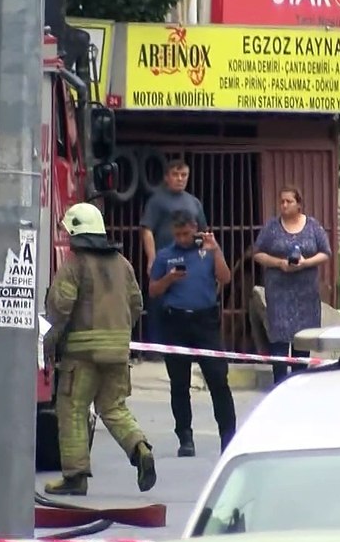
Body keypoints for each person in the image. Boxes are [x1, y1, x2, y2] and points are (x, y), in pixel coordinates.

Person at [41, 202, 156, 496]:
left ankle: (75, 477)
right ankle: (140, 448)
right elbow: (137, 304)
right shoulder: (123, 264)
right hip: (118, 353)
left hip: (81, 356)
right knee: (114, 407)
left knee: (73, 409)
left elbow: (60, 306)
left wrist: (52, 333)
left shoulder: (75, 264)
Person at [147, 211, 236, 455]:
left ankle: (228, 436)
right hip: (176, 321)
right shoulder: (165, 255)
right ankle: (185, 437)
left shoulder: (207, 252)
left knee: (218, 379)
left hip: (205, 321)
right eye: (178, 234)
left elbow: (225, 277)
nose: (183, 239)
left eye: (186, 233)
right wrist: (169, 279)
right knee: (179, 382)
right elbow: (153, 290)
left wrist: (216, 250)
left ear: (195, 228)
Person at [252, 187, 332, 385]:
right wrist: (279, 263)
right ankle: (279, 383)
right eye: (282, 202)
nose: (284, 205)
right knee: (279, 341)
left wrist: (306, 263)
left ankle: (298, 384)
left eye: (289, 201)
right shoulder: (271, 227)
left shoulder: (313, 226)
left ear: (299, 204)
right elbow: (257, 253)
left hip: (305, 293)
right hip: (279, 292)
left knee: (302, 341)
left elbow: (326, 252)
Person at [139, 159, 207, 347]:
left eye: (183, 175)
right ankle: (156, 348)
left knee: (187, 300)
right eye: (175, 175)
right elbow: (147, 230)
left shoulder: (194, 202)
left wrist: (204, 259)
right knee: (159, 302)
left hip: (190, 260)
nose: (180, 179)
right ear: (167, 177)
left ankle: (189, 346)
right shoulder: (157, 200)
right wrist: (151, 258)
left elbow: (203, 232)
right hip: (164, 259)